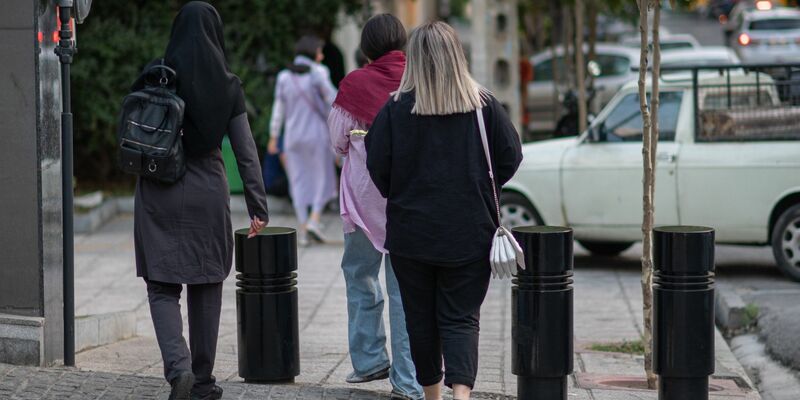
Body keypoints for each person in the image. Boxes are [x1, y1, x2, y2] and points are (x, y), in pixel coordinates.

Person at [365, 21, 523, 400]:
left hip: (411, 234)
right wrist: (481, 188)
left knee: (419, 320)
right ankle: (461, 397)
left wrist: (400, 192)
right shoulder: (483, 105)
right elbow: (511, 156)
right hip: (470, 232)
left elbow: (377, 166)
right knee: (461, 319)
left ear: (415, 59)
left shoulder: (395, 109)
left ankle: (432, 397)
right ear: (457, 56)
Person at [133, 3, 269, 400]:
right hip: (207, 190)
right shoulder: (229, 85)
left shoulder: (157, 73)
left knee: (162, 287)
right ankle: (203, 381)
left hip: (158, 188)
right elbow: (246, 151)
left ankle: (179, 370)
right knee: (206, 284)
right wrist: (258, 206)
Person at [327, 14, 423, 400]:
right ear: (403, 42)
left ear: (366, 48)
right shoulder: (421, 80)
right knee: (406, 291)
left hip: (364, 200)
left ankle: (369, 361)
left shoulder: (354, 84)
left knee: (360, 276)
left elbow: (337, 142)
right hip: (409, 202)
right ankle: (408, 381)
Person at [268, 35, 338, 246]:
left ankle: (303, 227)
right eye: (319, 51)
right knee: (322, 177)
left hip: (292, 136)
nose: (322, 55)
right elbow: (333, 101)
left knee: (297, 180)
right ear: (312, 53)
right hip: (317, 134)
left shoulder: (283, 77)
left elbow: (278, 109)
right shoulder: (319, 73)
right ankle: (314, 219)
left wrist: (273, 135)